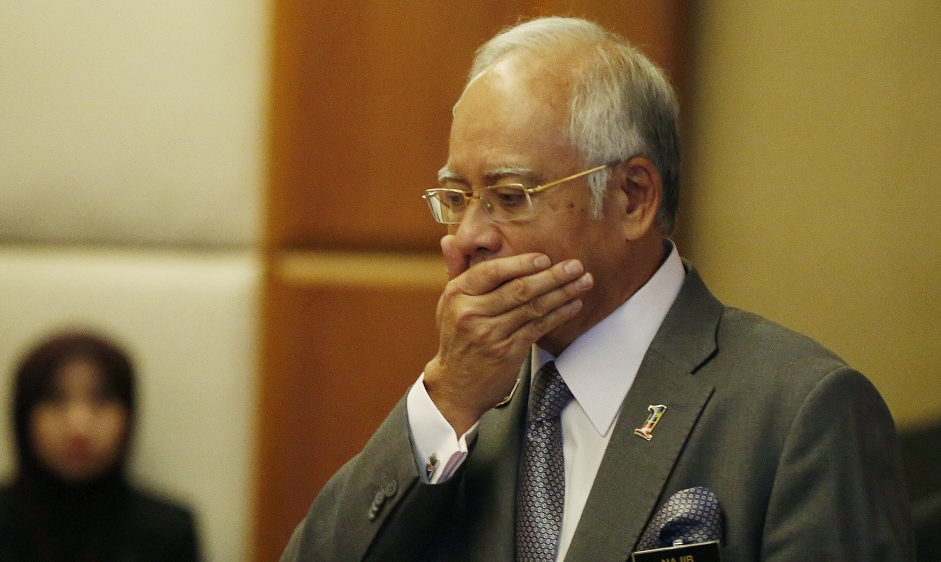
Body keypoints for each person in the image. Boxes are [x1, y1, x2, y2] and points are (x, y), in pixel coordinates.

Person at [280, 16, 913, 562]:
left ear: (633, 197)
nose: (466, 238)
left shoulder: (799, 413)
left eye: (509, 197)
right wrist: (445, 400)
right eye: (456, 197)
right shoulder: (468, 400)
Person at [0, 331, 199, 562]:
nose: (79, 426)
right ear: (23, 416)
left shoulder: (168, 529)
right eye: (55, 399)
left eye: (101, 399)